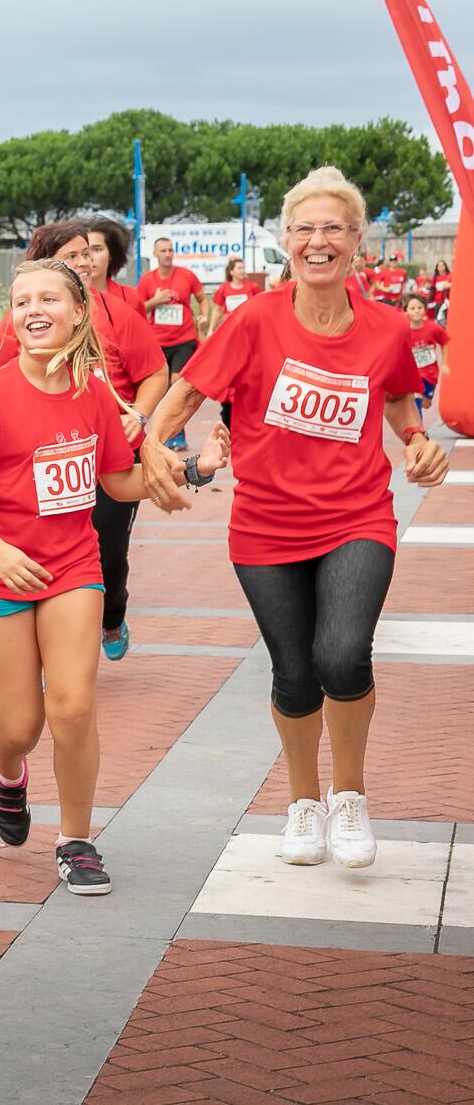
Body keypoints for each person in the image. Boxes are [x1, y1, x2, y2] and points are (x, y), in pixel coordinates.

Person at [141, 167, 450, 870]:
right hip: (266, 526)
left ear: (356, 241)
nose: (318, 241)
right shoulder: (254, 319)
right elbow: (187, 395)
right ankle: (302, 804)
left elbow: (402, 401)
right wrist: (154, 447)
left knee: (341, 654)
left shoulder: (387, 327)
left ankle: (349, 798)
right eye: (304, 228)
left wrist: (419, 442)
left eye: (333, 228)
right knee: (294, 674)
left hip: (357, 516)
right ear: (286, 241)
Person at [0, 263, 219, 896]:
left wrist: (187, 471)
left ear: (77, 313)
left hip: (72, 568)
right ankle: (6, 769)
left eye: (47, 298)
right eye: (20, 301)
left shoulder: (94, 392)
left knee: (72, 706)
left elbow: (117, 480)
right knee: (21, 725)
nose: (32, 309)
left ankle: (76, 839)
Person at [0, 223, 168, 662]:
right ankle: (58, 647)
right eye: (73, 255)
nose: (85, 262)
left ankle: (112, 614)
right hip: (46, 460)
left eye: (89, 253)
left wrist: (137, 417)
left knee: (108, 551)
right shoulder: (22, 324)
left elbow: (155, 372)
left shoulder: (118, 314)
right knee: (48, 544)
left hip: (111, 456)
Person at [136, 237, 205, 450]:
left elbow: (202, 297)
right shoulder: (147, 280)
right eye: (163, 250)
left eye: (170, 250)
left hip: (183, 338)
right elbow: (138, 310)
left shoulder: (186, 275)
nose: (168, 254)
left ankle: (178, 435)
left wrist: (203, 316)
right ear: (155, 254)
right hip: (157, 341)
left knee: (177, 382)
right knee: (162, 388)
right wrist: (156, 301)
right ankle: (165, 433)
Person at [403, 291, 451, 419]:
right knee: (416, 397)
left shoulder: (433, 328)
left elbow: (445, 342)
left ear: (425, 310)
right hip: (412, 372)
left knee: (426, 403)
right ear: (406, 311)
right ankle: (420, 432)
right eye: (412, 308)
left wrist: (445, 363)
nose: (416, 311)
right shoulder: (403, 329)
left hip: (430, 373)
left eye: (419, 308)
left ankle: (424, 401)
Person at [211, 256, 259, 328]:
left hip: (248, 326)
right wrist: (211, 330)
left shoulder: (252, 286)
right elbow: (217, 311)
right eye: (239, 268)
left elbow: (259, 306)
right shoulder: (223, 288)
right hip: (230, 327)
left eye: (243, 268)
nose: (242, 270)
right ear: (231, 272)